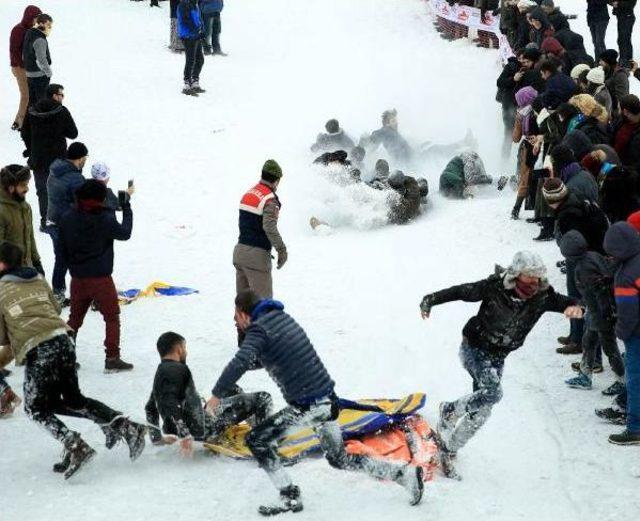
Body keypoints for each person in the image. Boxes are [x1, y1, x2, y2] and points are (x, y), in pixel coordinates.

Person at [207, 290, 424, 515]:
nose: (237, 324)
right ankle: (403, 475)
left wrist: (216, 396)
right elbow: (280, 354)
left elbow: (240, 361)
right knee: (339, 458)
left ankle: (289, 496)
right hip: (327, 400)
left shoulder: (259, 329)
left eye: (236, 319)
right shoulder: (280, 318)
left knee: (257, 440)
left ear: (243, 314)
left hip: (309, 406)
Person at [0, 241, 147, 477]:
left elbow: (3, 339)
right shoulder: (38, 278)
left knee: (35, 409)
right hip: (64, 340)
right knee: (71, 400)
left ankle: (75, 445)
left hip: (40, 349)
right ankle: (126, 426)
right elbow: (55, 308)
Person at [420, 251, 582, 456]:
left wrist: (577, 307)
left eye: (537, 275)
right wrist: (431, 299)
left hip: (499, 355)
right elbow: (462, 291)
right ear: (516, 274)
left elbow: (573, 302)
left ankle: (450, 449)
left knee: (483, 409)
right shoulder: (495, 287)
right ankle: (449, 411)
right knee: (493, 393)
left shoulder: (543, 296)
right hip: (474, 348)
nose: (533, 280)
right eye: (528, 275)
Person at [145, 331, 273, 454]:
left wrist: (157, 438)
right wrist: (185, 436)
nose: (186, 352)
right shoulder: (176, 370)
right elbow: (171, 404)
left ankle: (255, 423)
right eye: (185, 348)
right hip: (208, 427)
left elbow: (150, 407)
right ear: (179, 349)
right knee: (263, 398)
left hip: (202, 418)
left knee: (230, 388)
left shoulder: (162, 372)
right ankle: (263, 441)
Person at [60, 180, 134, 373]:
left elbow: (61, 250)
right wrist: (126, 207)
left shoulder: (68, 217)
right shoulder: (104, 218)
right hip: (100, 278)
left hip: (77, 278)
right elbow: (125, 233)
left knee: (74, 319)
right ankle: (112, 358)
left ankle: (64, 358)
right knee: (111, 317)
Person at [559, 231, 624, 391]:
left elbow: (599, 293)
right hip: (595, 311)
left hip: (601, 313)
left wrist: (605, 316)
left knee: (610, 347)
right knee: (588, 341)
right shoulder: (593, 255)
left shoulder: (583, 269)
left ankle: (622, 381)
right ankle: (585, 374)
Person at [20, 83, 79, 231]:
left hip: (38, 159)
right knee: (60, 189)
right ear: (54, 95)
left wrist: (30, 148)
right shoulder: (61, 111)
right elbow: (73, 133)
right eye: (61, 95)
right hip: (58, 158)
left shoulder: (32, 110)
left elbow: (24, 132)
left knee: (42, 191)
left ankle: (44, 220)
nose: (62, 98)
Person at [604, 222, 640, 445]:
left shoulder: (626, 275)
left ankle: (635, 427)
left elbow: (628, 314)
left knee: (636, 377)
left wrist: (621, 332)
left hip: (637, 333)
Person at [234, 160, 286, 301]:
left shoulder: (249, 193)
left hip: (239, 254)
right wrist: (282, 250)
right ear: (276, 181)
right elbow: (269, 227)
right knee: (263, 308)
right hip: (256, 259)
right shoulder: (270, 199)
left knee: (244, 310)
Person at [46, 142, 88, 305]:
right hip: (67, 225)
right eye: (85, 158)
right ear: (80, 158)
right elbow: (85, 202)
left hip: (53, 221)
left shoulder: (55, 169)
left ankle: (58, 292)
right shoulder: (76, 178)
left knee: (61, 259)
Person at [0, 165, 43, 272]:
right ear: (10, 187)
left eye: (27, 184)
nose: (27, 189)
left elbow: (30, 237)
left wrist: (36, 261)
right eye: (23, 185)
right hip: (8, 276)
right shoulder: (2, 211)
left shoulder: (25, 207)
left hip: (27, 269)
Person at [9, 5, 42, 130]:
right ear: (29, 17)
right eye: (35, 18)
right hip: (19, 67)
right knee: (26, 95)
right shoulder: (18, 30)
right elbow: (14, 51)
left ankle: (24, 120)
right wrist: (24, 65)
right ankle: (19, 123)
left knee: (31, 94)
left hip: (27, 67)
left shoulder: (32, 30)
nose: (37, 20)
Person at [511, 86, 539, 219]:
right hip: (543, 148)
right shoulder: (542, 108)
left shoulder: (522, 115)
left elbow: (515, 138)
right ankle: (540, 213)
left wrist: (517, 121)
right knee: (541, 179)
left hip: (528, 149)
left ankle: (516, 209)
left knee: (525, 179)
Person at [22, 13, 53, 106]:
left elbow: (25, 53)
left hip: (29, 74)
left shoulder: (29, 33)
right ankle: (42, 120)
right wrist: (48, 73)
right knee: (42, 103)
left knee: (32, 102)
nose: (50, 27)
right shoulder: (40, 39)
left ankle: (30, 120)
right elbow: (41, 60)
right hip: (39, 75)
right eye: (48, 25)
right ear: (41, 24)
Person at [177, 0, 205, 96]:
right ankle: (187, 84)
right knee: (190, 60)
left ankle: (194, 81)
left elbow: (199, 18)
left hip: (195, 35)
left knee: (200, 59)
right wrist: (195, 28)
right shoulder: (184, 4)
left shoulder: (194, 4)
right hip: (188, 36)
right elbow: (185, 20)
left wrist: (202, 29)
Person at [612, 94, 640, 176]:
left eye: (619, 108)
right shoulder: (622, 120)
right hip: (613, 158)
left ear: (625, 111)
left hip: (624, 170)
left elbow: (634, 161)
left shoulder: (637, 137)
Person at [599, 49, 629, 113]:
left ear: (608, 61)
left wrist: (617, 116)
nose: (600, 63)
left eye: (602, 60)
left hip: (616, 112)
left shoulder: (620, 75)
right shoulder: (608, 71)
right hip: (609, 109)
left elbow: (622, 98)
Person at [612, 0, 636, 65]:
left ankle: (625, 59)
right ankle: (626, 59)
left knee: (624, 39)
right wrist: (613, 3)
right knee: (622, 39)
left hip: (627, 17)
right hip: (621, 17)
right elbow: (612, 2)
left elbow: (630, 4)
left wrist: (617, 3)